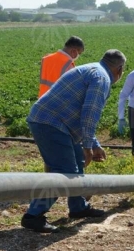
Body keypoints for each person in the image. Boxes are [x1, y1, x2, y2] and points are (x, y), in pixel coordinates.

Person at [22, 50, 127, 233]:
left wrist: (93, 144)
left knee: (77, 163)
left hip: (55, 123)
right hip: (51, 123)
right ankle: (33, 216)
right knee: (64, 172)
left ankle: (78, 206)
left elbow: (83, 116)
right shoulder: (101, 78)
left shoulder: (93, 69)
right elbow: (89, 115)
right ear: (120, 69)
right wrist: (87, 146)